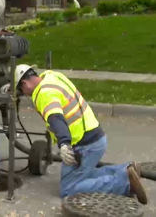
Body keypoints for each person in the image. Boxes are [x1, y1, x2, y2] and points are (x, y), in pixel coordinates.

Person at [12, 64, 148, 204]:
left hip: (84, 145)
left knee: (68, 189)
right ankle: (126, 170)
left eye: (21, 90)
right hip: (94, 135)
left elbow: (56, 118)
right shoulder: (52, 76)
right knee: (82, 175)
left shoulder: (44, 94)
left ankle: (124, 183)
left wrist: (64, 144)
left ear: (24, 83)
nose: (24, 94)